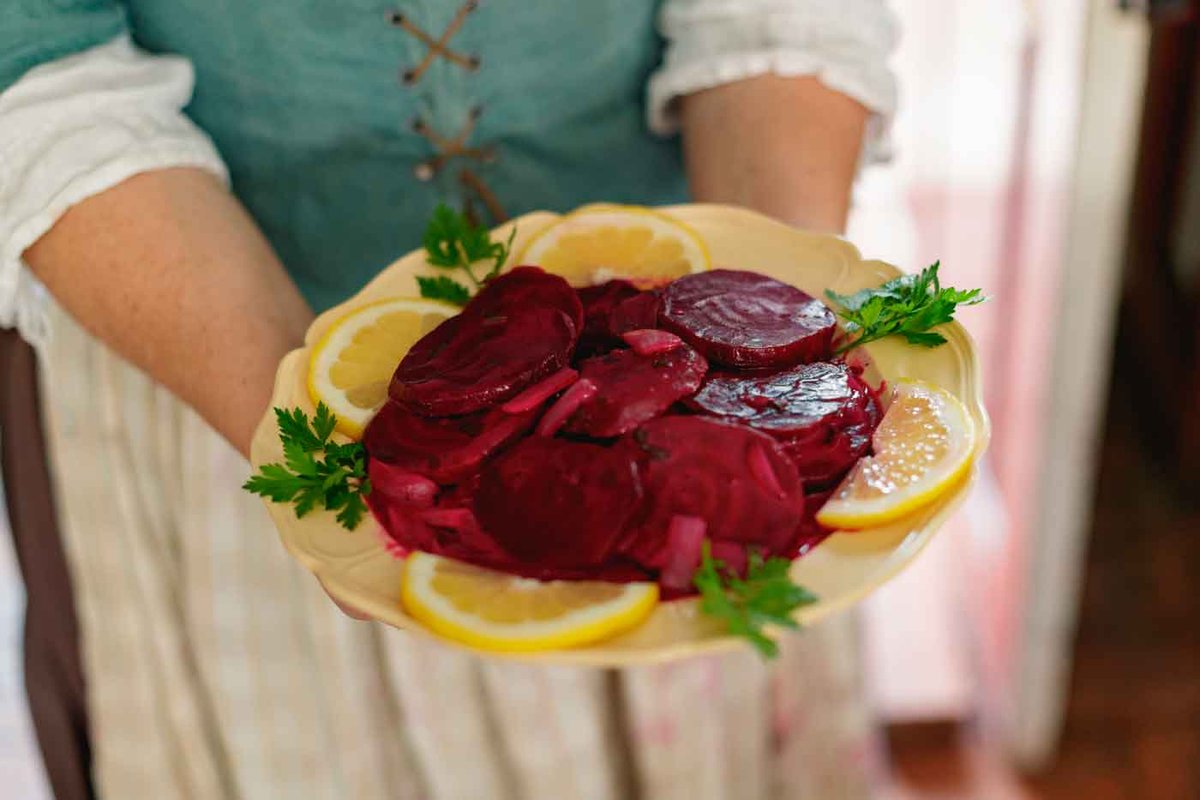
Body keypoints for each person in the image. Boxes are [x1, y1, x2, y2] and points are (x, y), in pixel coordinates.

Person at [0, 1, 897, 798]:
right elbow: (37, 71)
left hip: (675, 366)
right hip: (216, 345)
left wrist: (766, 353)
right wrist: (318, 448)